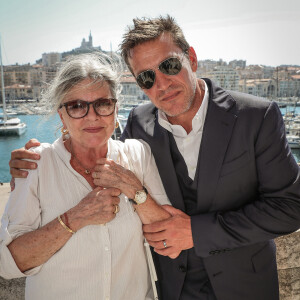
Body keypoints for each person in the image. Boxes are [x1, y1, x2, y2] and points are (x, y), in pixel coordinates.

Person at [8, 15, 300, 300]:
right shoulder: (139, 123)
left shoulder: (255, 116)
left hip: (244, 286)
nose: (161, 84)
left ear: (192, 59)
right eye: (147, 78)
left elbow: (290, 207)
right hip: (171, 288)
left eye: (170, 65)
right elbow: (99, 152)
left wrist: (196, 232)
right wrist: (38, 160)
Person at [0, 52, 174, 300]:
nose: (92, 116)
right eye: (77, 106)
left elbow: (167, 236)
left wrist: (132, 186)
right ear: (62, 115)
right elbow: (8, 265)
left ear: (115, 110)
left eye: (102, 104)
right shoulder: (36, 164)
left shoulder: (137, 154)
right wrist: (75, 218)